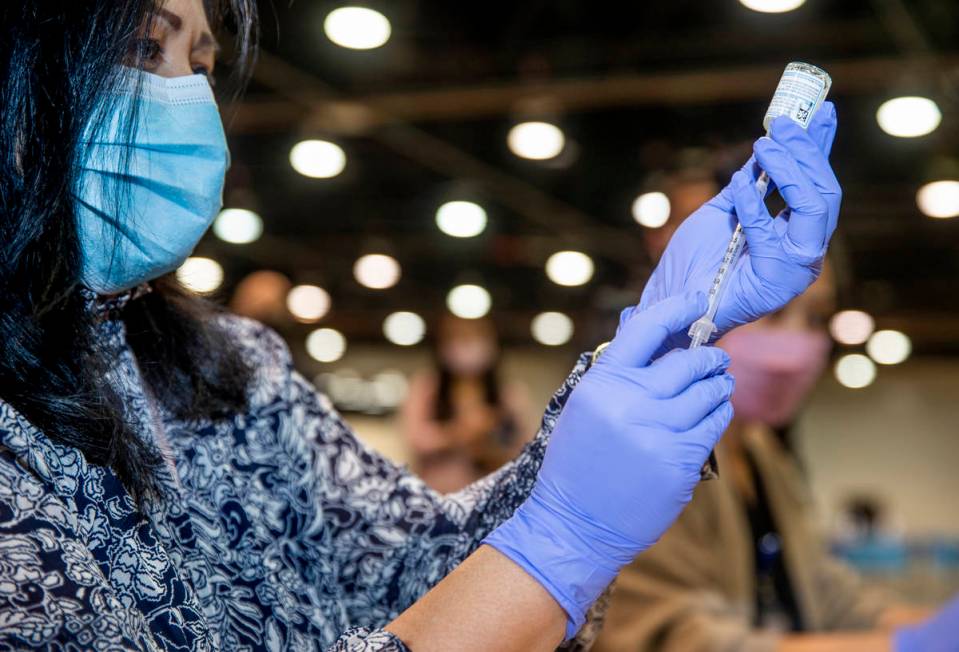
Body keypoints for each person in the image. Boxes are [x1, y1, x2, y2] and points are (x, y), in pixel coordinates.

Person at [0, 0, 849, 649]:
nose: (189, 99)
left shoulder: (232, 371)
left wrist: (666, 324)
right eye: (146, 49)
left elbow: (413, 566)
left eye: (203, 64)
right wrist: (556, 543)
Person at [593, 265, 955, 651]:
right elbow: (667, 636)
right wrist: (907, 646)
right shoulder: (652, 449)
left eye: (815, 318)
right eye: (773, 311)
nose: (796, 341)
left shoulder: (761, 451)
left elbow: (823, 591)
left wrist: (937, 631)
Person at [401, 315, 533, 493]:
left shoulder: (509, 394)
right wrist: (461, 432)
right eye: (458, 336)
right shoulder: (426, 388)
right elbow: (415, 438)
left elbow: (525, 449)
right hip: (439, 497)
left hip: (491, 498)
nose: (467, 344)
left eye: (476, 336)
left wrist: (489, 445)